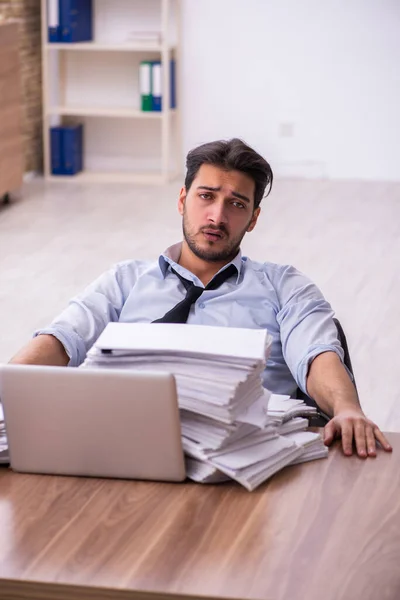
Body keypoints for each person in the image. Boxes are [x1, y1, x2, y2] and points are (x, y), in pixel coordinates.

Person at [10, 138, 392, 459]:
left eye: (237, 204)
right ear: (182, 199)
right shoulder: (124, 280)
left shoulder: (285, 287)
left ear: (253, 218)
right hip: (118, 446)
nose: (217, 216)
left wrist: (346, 409)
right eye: (206, 196)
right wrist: (7, 390)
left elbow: (317, 354)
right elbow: (60, 340)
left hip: (238, 457)